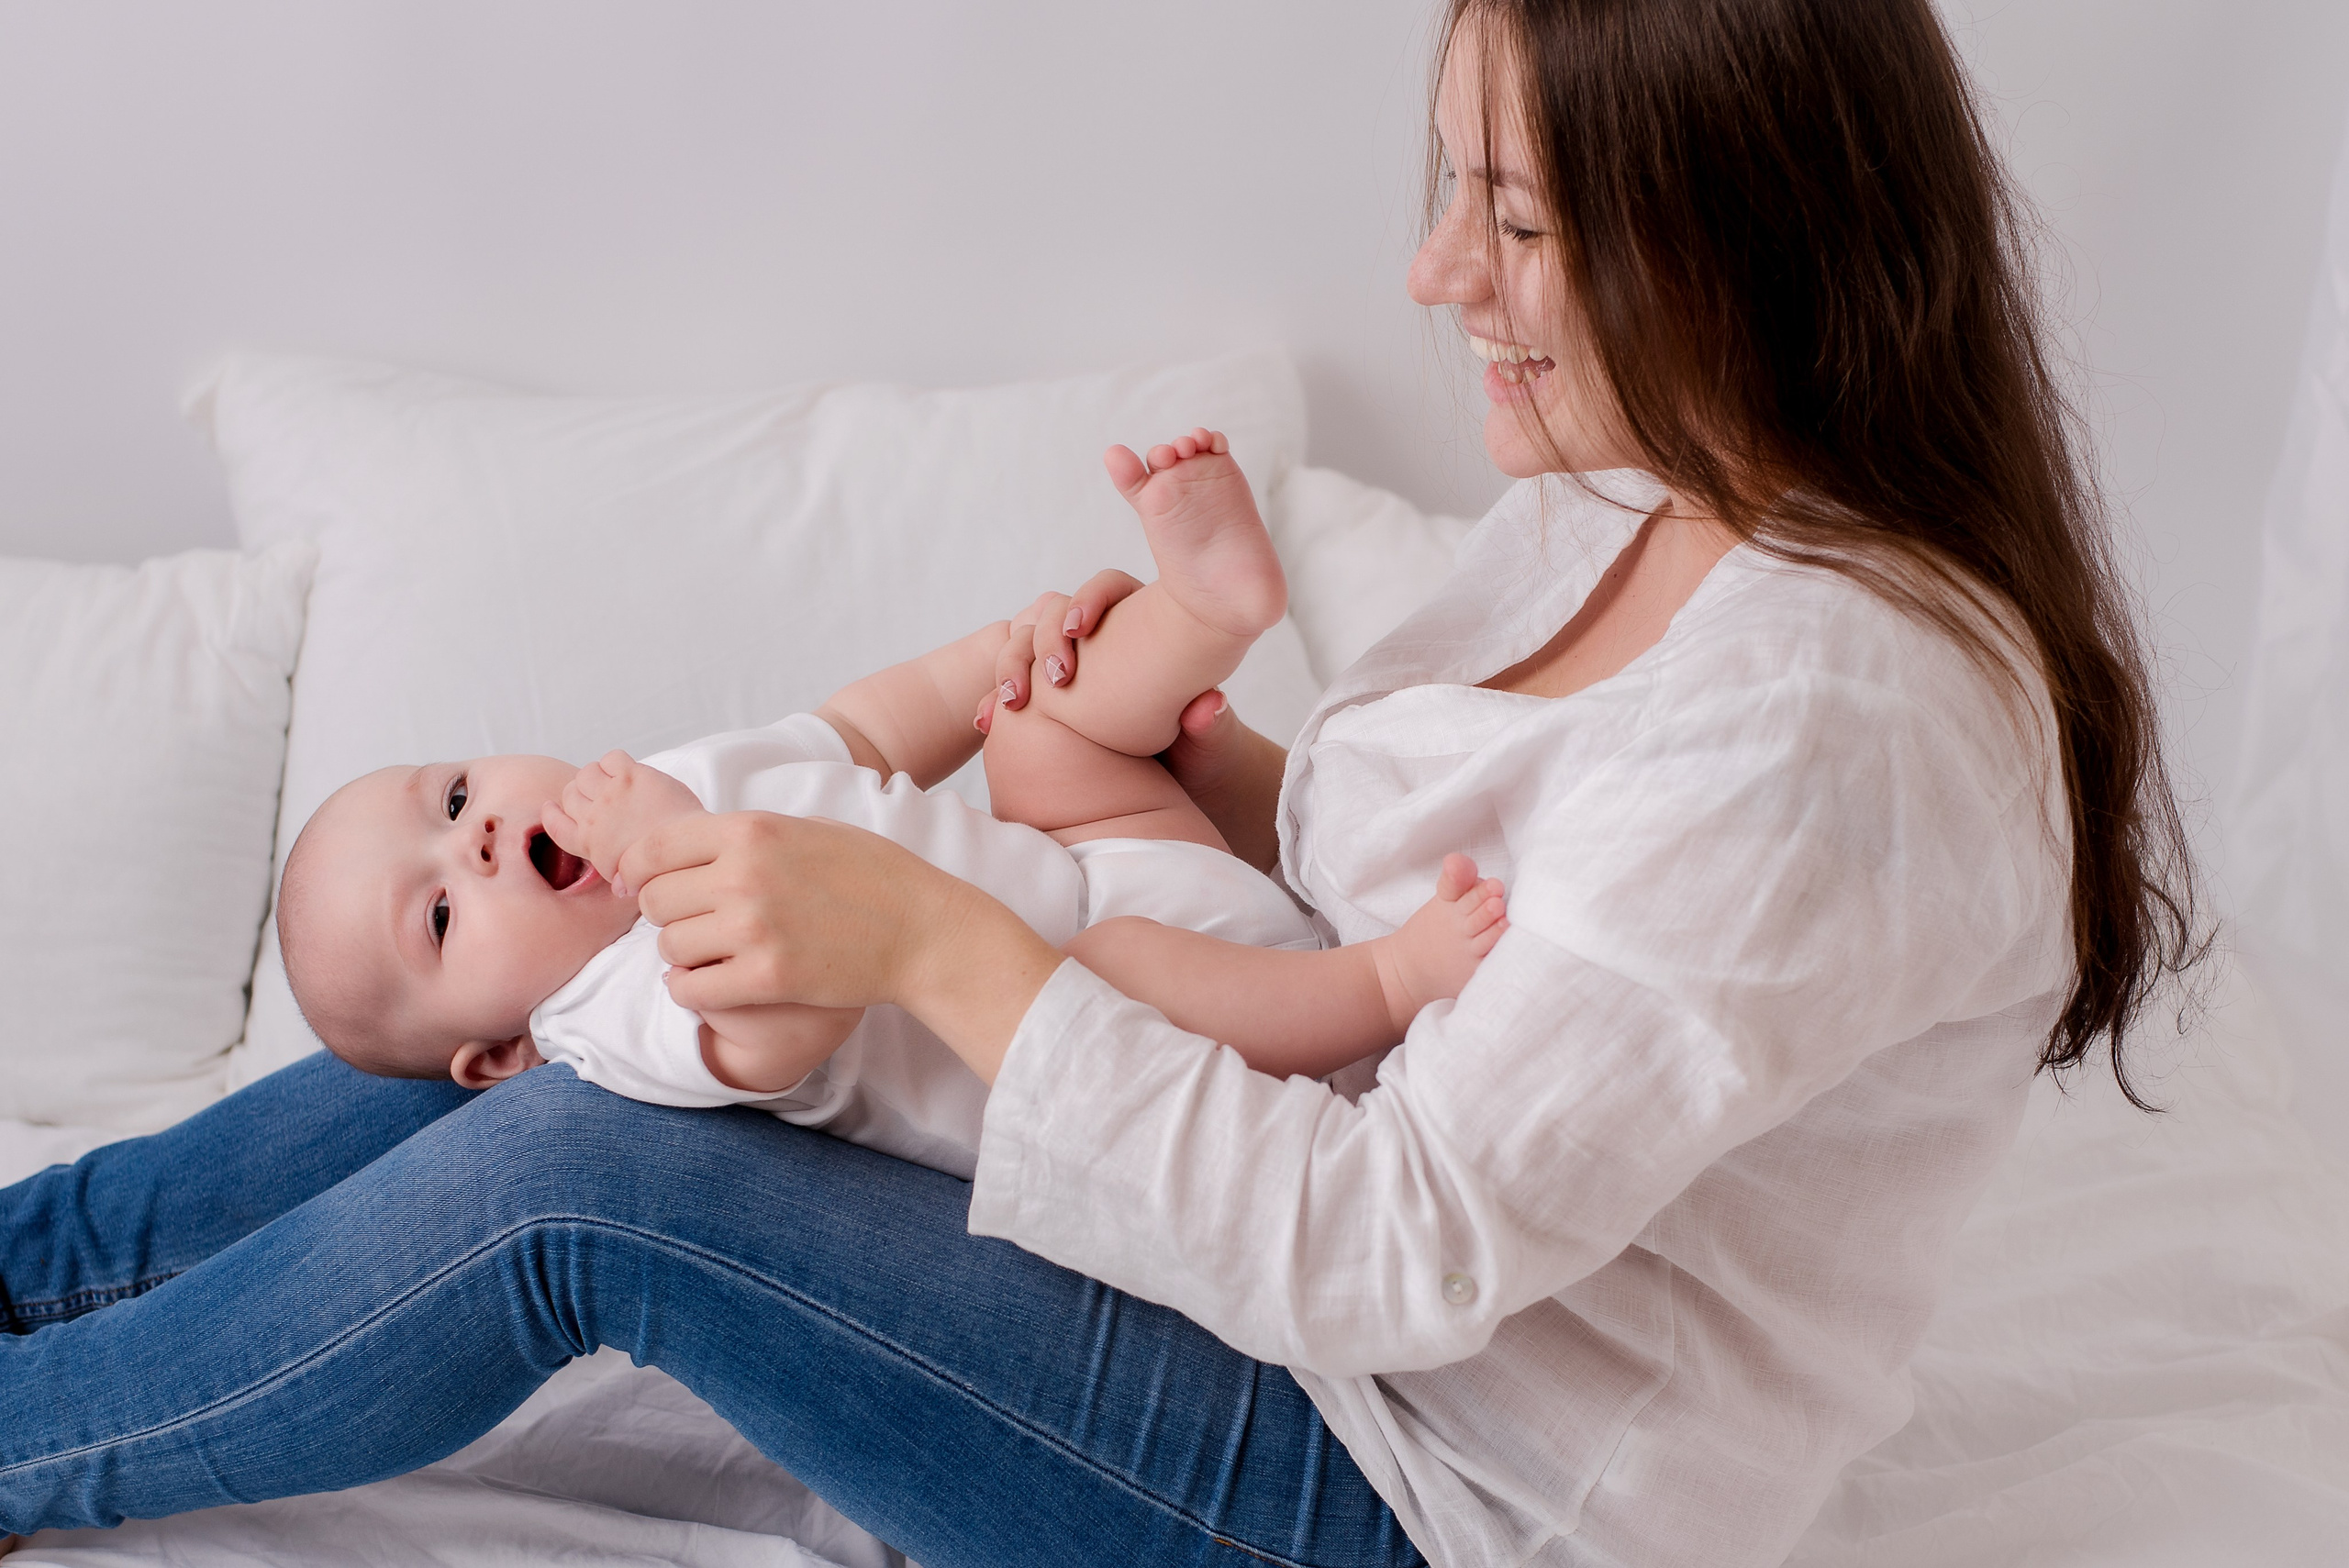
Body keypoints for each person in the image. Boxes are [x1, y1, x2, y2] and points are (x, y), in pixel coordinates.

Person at [0, 2, 2199, 1564]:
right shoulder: (1627, 497)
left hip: (1413, 1485)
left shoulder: (1832, 712)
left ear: (1743, 237)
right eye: (1451, 191)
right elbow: (1456, 896)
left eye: (1512, 224)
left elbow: (1395, 1242)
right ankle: (31, 1263)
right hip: (1256, 1242)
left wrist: (940, 941)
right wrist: (1199, 776)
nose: (1438, 275)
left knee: (592, 1166)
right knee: (538, 982)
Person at [272, 429, 1504, 1173]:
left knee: (1034, 732)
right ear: (499, 1054)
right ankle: (1387, 985)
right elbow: (787, 1023)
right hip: (1114, 1033)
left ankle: (1207, 609)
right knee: (1115, 959)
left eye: (451, 795)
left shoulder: (673, 775)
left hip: (1095, 860)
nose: (474, 838)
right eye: (438, 914)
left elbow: (862, 730)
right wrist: (661, 853)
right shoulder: (610, 1017)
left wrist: (1005, 655)